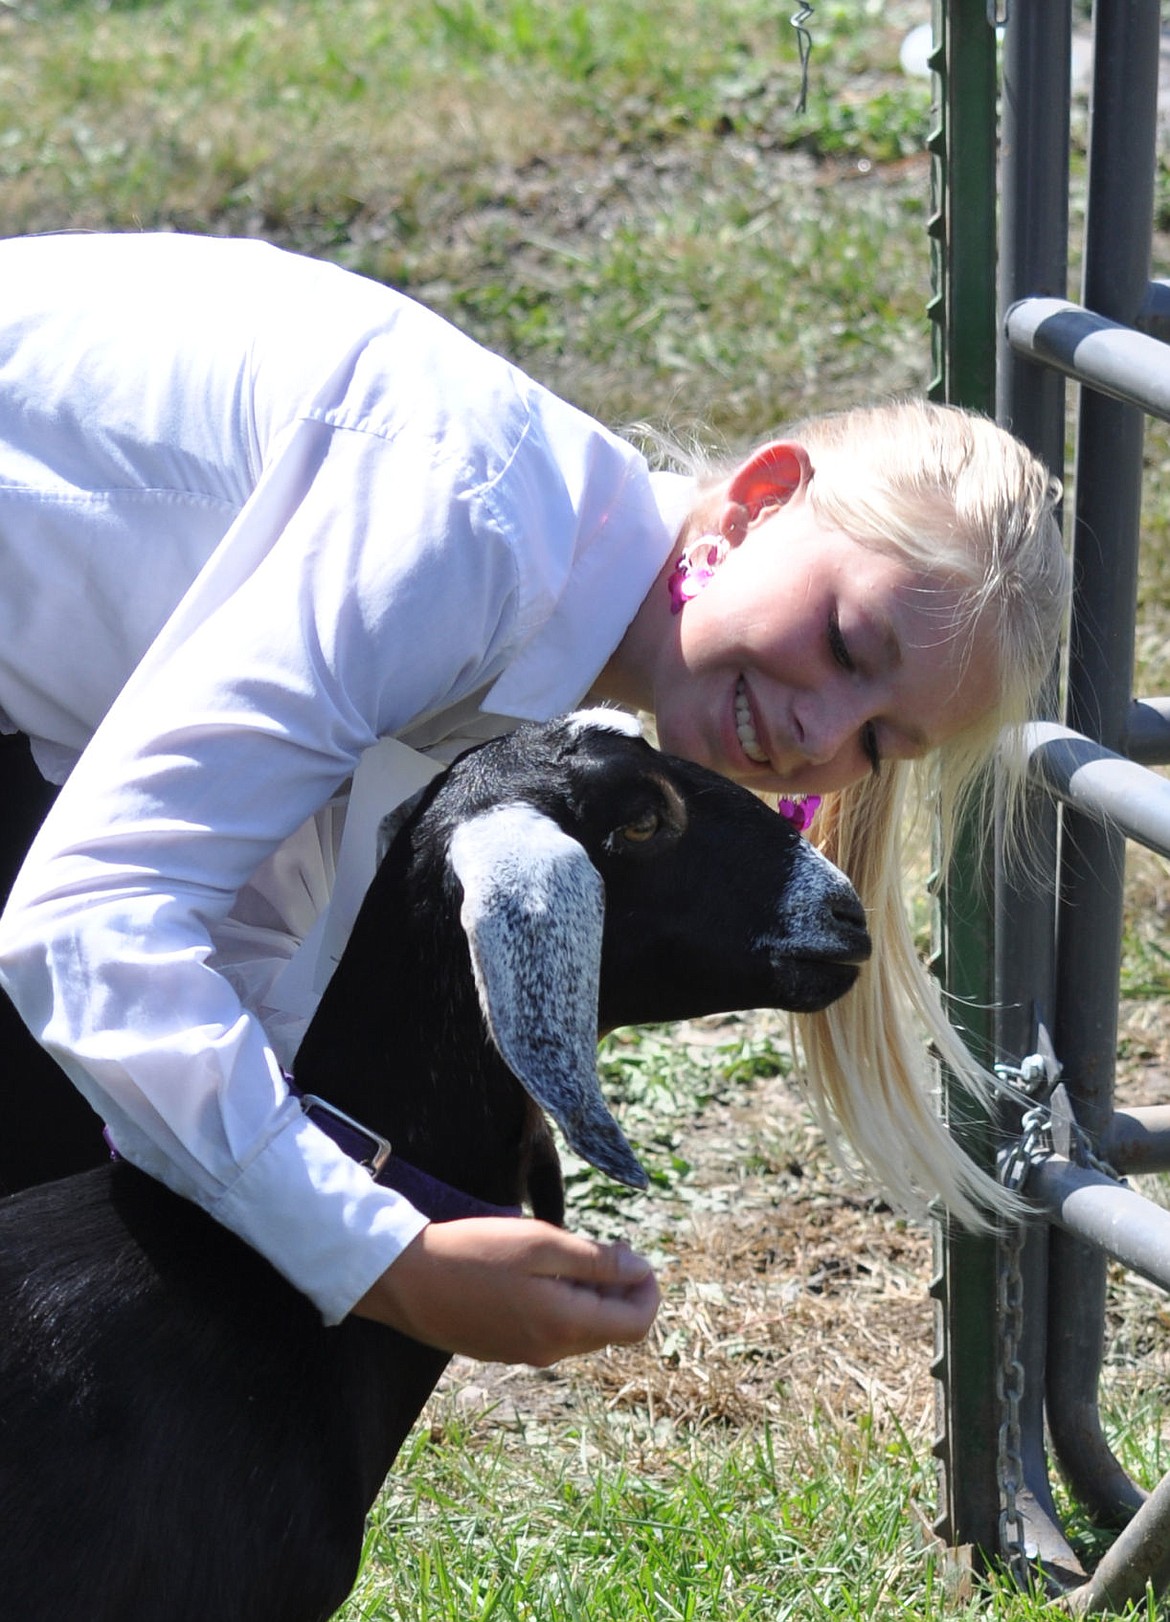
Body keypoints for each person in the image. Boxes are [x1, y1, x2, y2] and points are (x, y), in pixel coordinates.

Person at [0, 231, 1067, 1367]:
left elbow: (239, 928)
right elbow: (88, 921)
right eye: (849, 642)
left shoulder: (526, 618)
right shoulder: (472, 539)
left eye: (882, 740)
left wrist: (399, 1217)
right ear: (758, 499)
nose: (821, 732)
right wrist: (386, 1262)